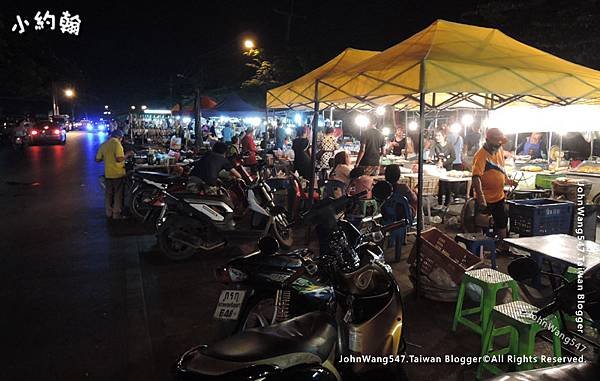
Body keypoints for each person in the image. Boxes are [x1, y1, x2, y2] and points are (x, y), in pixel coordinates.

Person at [472, 128, 517, 245]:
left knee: (502, 222)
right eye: (496, 141)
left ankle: (502, 246)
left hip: (499, 196)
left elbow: (501, 168)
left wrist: (508, 181)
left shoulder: (500, 150)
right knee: (480, 222)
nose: (498, 144)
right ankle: (479, 248)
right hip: (485, 198)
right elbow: (476, 177)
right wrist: (481, 197)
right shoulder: (480, 155)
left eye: (500, 141)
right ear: (487, 140)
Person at [95, 130, 133, 219]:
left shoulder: (103, 145)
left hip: (108, 173)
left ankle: (108, 212)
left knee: (108, 194)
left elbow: (97, 159)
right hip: (118, 173)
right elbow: (119, 159)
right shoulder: (117, 144)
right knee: (118, 194)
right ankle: (116, 213)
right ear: (120, 137)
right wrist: (127, 155)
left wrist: (107, 158)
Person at [432, 128, 456, 207]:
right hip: (438, 169)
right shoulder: (435, 145)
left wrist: (444, 163)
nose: (437, 137)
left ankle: (446, 204)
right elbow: (432, 156)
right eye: (436, 135)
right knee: (440, 186)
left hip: (448, 168)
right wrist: (436, 162)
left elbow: (453, 157)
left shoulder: (450, 145)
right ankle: (439, 203)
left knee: (448, 186)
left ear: (444, 136)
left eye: (439, 135)